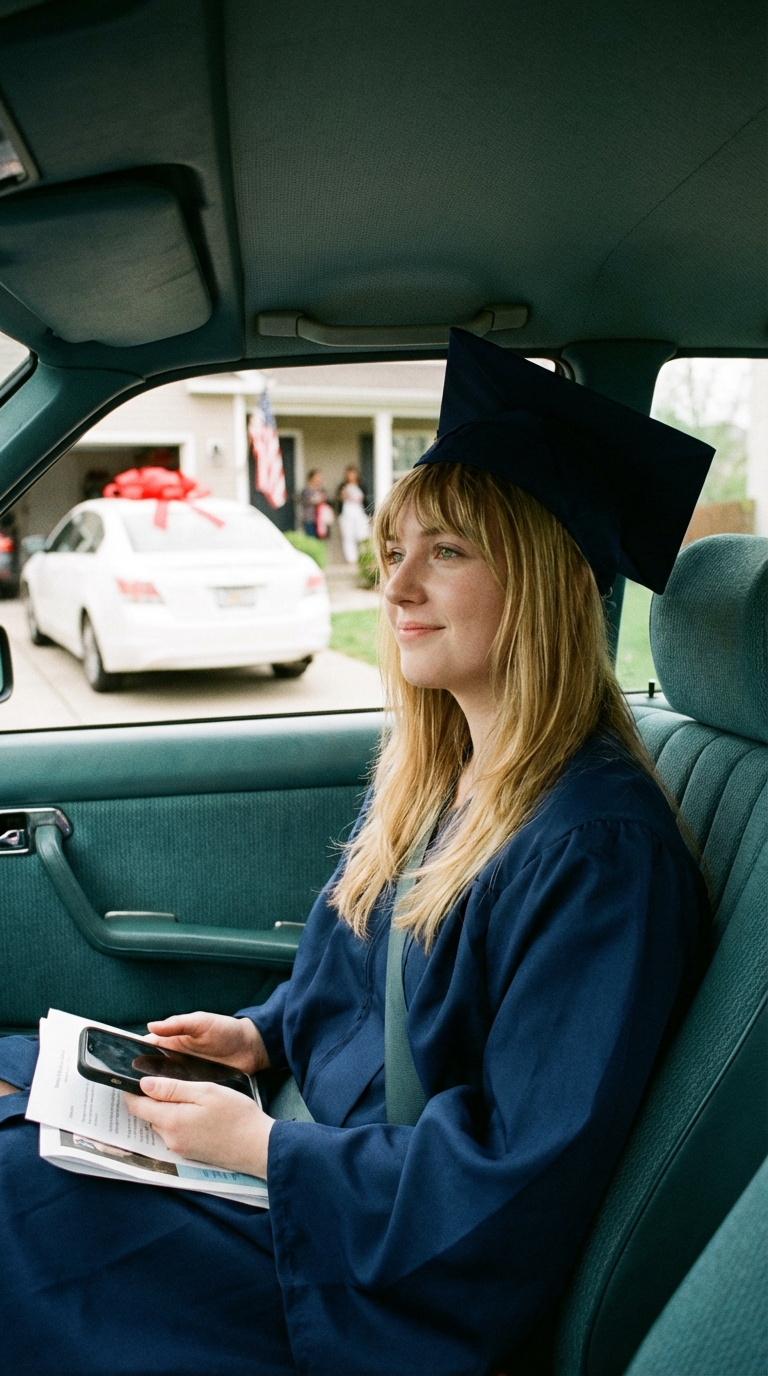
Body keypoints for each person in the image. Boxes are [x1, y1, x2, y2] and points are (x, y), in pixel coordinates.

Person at [0, 330, 714, 1376]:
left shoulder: (601, 853)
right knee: (23, 1076)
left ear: (550, 579)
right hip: (314, 1173)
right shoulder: (438, 776)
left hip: (381, 1270)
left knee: (18, 1195)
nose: (399, 586)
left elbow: (523, 1170)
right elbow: (346, 971)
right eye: (397, 552)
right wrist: (257, 1035)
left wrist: (264, 1151)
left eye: (450, 551)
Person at [337, 464, 371, 564]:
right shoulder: (342, 486)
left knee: (362, 536)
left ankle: (364, 558)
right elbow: (339, 498)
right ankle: (351, 560)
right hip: (347, 514)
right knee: (348, 537)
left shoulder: (361, 485)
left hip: (359, 514)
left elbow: (364, 500)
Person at [300, 468, 326, 538]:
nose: (319, 479)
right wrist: (316, 499)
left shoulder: (321, 489)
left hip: (320, 520)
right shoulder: (306, 490)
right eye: (317, 477)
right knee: (311, 538)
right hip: (309, 519)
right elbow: (308, 501)